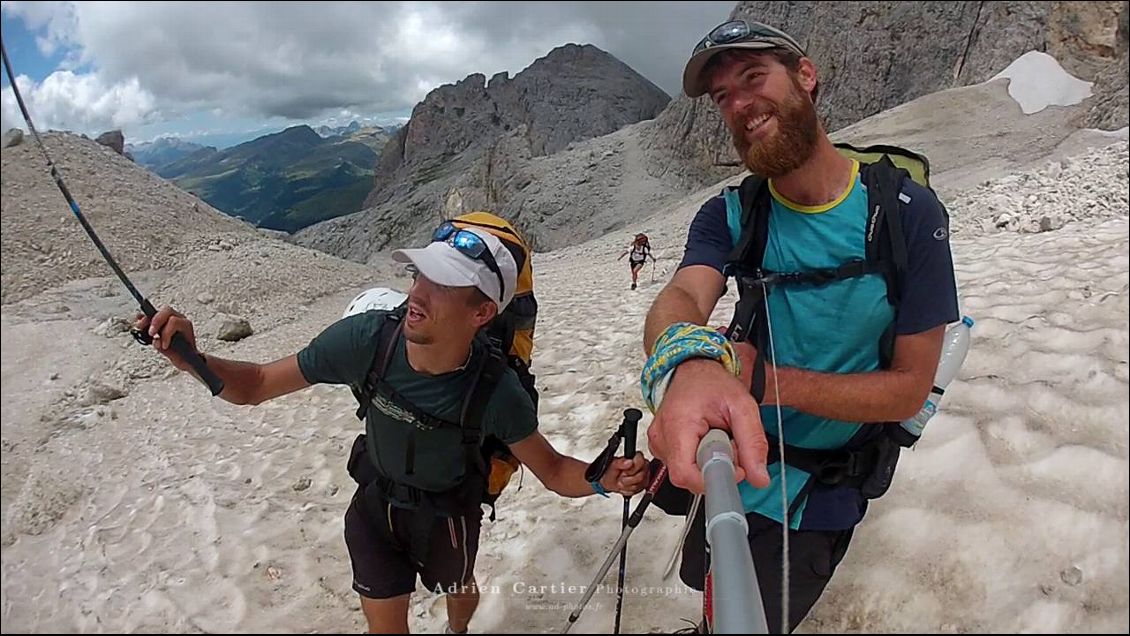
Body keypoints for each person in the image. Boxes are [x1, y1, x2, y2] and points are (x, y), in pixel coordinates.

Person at [137, 225, 650, 634]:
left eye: (441, 282)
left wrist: (608, 478)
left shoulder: (496, 392)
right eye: (419, 275)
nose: (417, 293)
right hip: (374, 509)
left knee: (458, 589)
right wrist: (191, 358)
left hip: (450, 514)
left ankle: (457, 630)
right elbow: (256, 384)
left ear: (483, 312)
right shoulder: (366, 339)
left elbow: (555, 470)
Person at [640, 19, 959, 633]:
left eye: (753, 77)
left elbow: (909, 389)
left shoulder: (905, 215)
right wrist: (691, 361)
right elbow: (683, 293)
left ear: (806, 76)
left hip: (821, 491)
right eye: (722, 96)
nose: (738, 105)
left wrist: (761, 382)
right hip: (730, 462)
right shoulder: (731, 212)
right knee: (713, 588)